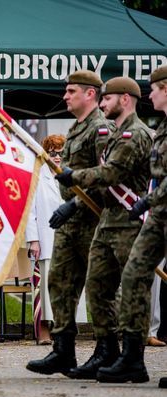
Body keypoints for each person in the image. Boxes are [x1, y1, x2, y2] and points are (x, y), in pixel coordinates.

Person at [55, 77, 154, 379]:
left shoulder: (135, 134)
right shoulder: (117, 134)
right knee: (97, 289)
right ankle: (108, 351)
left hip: (128, 221)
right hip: (109, 221)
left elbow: (110, 173)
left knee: (132, 291)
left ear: (124, 99)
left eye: (106, 99)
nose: (102, 104)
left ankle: (132, 357)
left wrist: (75, 176)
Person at [26, 70, 111, 375]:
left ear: (90, 94)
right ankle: (63, 350)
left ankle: (106, 350)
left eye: (71, 91)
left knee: (100, 288)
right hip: (70, 223)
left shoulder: (101, 129)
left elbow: (106, 176)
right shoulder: (75, 129)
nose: (65, 96)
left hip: (92, 219)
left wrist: (73, 204)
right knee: (59, 282)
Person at [96, 66, 167, 385]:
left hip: (154, 210)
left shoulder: (143, 131)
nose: (149, 94)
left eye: (155, 89)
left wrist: (147, 201)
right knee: (135, 277)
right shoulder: (162, 128)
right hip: (157, 216)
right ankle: (133, 359)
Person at [26, 134, 65, 345]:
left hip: (67, 241)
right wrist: (33, 240)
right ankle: (43, 330)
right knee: (43, 287)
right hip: (44, 239)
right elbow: (29, 212)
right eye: (53, 153)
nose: (57, 157)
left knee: (65, 287)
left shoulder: (70, 175)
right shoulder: (37, 176)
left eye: (60, 153)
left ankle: (63, 329)